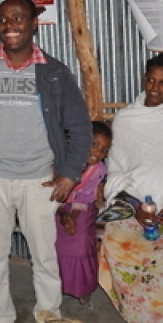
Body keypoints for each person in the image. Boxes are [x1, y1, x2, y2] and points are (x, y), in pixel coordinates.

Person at [0, 0, 92, 323]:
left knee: (44, 257)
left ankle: (48, 313)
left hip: (40, 180)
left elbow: (80, 127)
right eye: (4, 20)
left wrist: (69, 173)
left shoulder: (53, 72)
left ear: (33, 23)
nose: (10, 26)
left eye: (18, 19)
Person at [98, 53, 163, 322]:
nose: (155, 88)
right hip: (135, 201)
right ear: (144, 79)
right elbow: (118, 169)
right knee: (116, 242)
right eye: (151, 81)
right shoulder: (126, 118)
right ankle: (139, 315)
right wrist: (134, 207)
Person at [55, 120, 112, 305]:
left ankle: (82, 287)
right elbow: (52, 192)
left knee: (80, 241)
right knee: (54, 239)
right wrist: (64, 215)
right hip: (58, 206)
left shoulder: (98, 170)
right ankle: (56, 285)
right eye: (94, 145)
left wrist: (71, 218)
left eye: (104, 150)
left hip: (83, 208)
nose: (98, 153)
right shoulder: (62, 161)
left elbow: (87, 197)